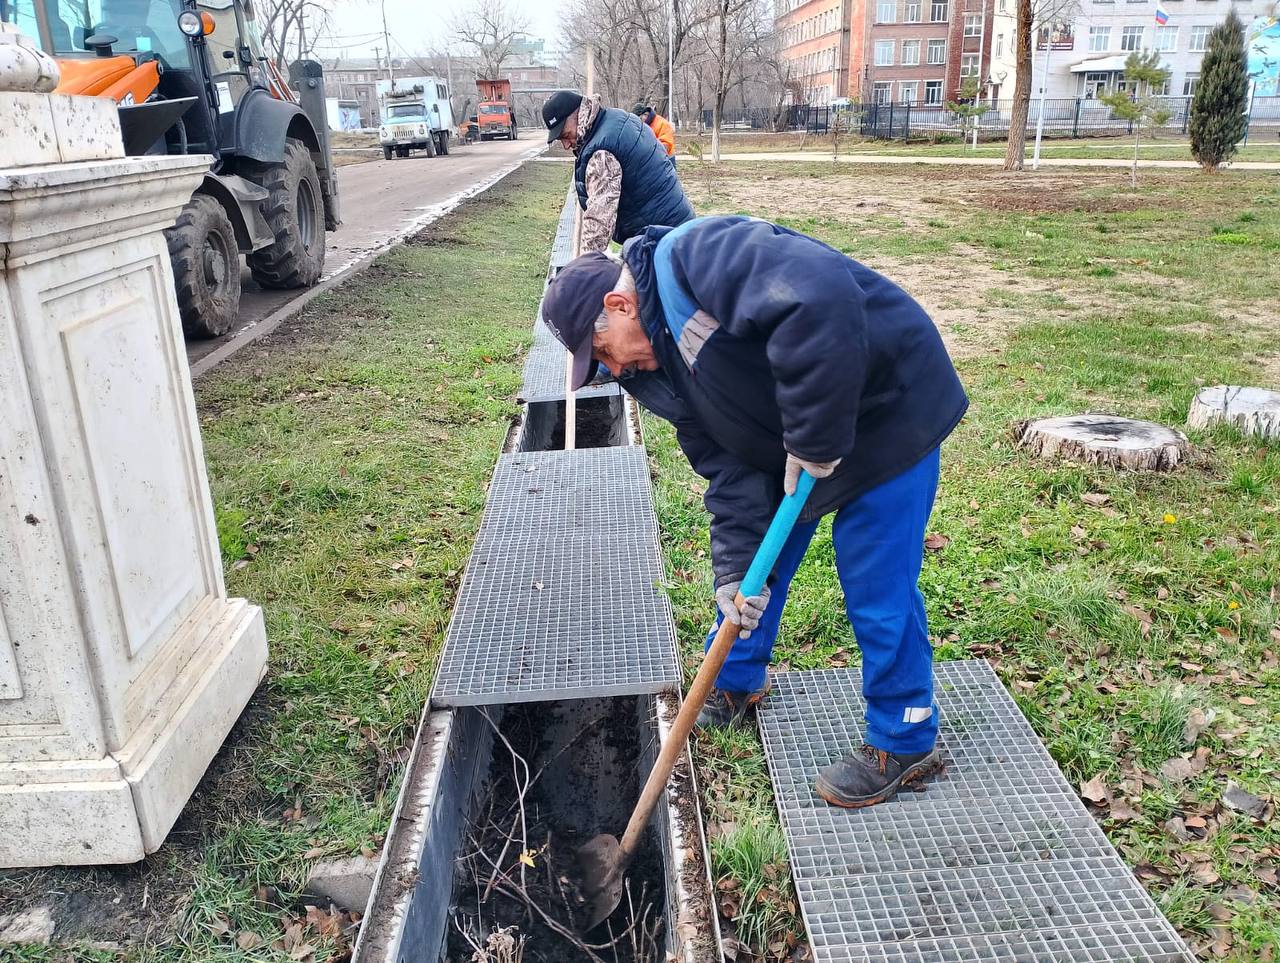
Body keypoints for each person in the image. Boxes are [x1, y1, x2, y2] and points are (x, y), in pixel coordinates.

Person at [539, 216, 968, 810]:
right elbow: (730, 470)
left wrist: (814, 438)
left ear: (619, 305)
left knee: (877, 583)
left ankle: (904, 736)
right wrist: (733, 570)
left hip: (889, 409)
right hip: (801, 436)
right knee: (753, 573)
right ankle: (737, 680)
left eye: (603, 354)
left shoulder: (698, 257)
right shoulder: (656, 376)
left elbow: (819, 296)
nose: (611, 372)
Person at [541, 89, 693, 253]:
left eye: (565, 135)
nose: (565, 145)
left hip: (664, 243)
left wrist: (584, 269)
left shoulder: (602, 152)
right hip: (679, 227)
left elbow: (598, 224)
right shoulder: (617, 118)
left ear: (576, 115)